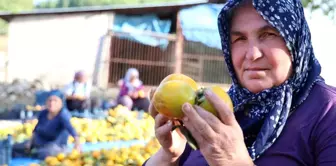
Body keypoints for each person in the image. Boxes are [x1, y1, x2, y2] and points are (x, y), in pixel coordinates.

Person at [144, 0, 336, 165]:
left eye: (268, 34)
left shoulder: (327, 113)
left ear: (294, 39)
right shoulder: (217, 107)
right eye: (240, 38)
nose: (252, 54)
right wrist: (170, 155)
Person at [12, 90, 81, 160]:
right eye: (50, 100)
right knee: (15, 147)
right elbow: (36, 129)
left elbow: (71, 129)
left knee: (45, 153)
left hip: (55, 146)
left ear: (61, 103)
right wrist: (30, 143)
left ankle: (34, 153)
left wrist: (77, 144)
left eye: (55, 101)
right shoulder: (43, 113)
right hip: (38, 143)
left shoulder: (63, 115)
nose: (52, 103)